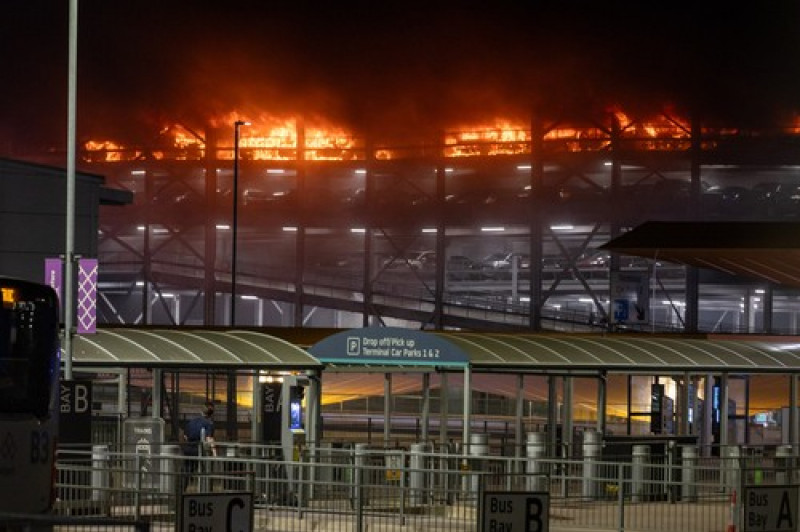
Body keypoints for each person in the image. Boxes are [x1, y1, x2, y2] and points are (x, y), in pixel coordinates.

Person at [182, 401, 216, 490]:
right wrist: (214, 453)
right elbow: (209, 439)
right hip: (199, 450)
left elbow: (185, 436)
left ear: (201, 411)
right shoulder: (209, 424)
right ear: (211, 414)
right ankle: (204, 491)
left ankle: (181, 490)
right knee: (204, 471)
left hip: (188, 449)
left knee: (187, 471)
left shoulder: (192, 422)